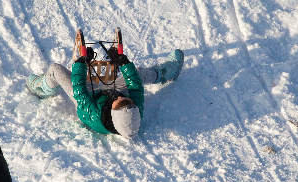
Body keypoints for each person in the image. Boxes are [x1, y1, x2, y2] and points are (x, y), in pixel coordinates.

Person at [26, 47, 184, 138]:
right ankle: (164, 73)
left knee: (56, 70)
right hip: (107, 97)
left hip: (90, 97)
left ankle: (42, 88)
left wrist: (81, 63)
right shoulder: (134, 112)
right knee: (138, 75)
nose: (122, 97)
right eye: (128, 100)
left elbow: (80, 89)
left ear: (113, 112)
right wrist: (124, 62)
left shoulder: (93, 114)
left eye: (121, 102)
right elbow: (135, 85)